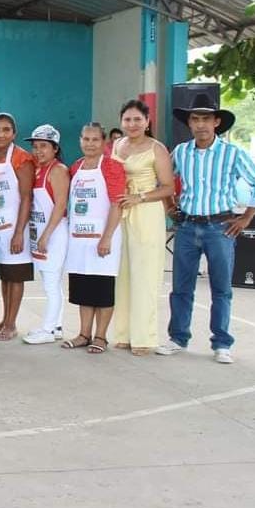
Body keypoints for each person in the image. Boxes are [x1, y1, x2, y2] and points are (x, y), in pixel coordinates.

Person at [159, 93, 255, 364]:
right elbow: (164, 180)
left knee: (221, 288)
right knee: (181, 287)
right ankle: (178, 337)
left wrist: (246, 218)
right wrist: (169, 206)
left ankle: (221, 343)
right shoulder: (181, 152)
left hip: (220, 227)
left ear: (216, 122)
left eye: (206, 119)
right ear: (189, 123)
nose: (200, 125)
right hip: (187, 226)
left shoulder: (232, 153)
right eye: (195, 119)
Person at [111, 99, 174, 356]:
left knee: (145, 276)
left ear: (147, 122)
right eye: (127, 119)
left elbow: (168, 187)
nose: (132, 124)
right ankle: (123, 334)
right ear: (121, 121)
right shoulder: (117, 145)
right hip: (120, 212)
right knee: (122, 274)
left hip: (146, 213)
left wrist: (140, 197)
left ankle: (144, 338)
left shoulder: (157, 149)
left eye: (138, 119)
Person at [62, 123, 126, 354]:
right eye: (86, 139)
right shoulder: (76, 167)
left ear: (104, 142)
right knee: (83, 287)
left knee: (102, 289)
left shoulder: (112, 166)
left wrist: (106, 238)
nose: (90, 144)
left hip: (102, 237)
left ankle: (100, 337)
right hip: (79, 239)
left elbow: (117, 204)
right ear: (80, 140)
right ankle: (83, 333)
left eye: (95, 140)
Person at [0, 113, 34, 342]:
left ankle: (11, 324)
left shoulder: (22, 158)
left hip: (14, 226)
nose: (0, 134)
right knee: (5, 276)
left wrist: (19, 232)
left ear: (14, 133)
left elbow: (26, 197)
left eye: (5, 130)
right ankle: (4, 319)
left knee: (16, 276)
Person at [22, 124, 70, 345]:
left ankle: (48, 329)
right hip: (41, 232)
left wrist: (46, 235)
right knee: (52, 282)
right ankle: (56, 326)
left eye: (44, 146)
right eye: (35, 146)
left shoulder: (58, 170)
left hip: (54, 233)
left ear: (55, 148)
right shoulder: (39, 169)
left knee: (51, 283)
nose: (38, 150)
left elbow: (60, 206)